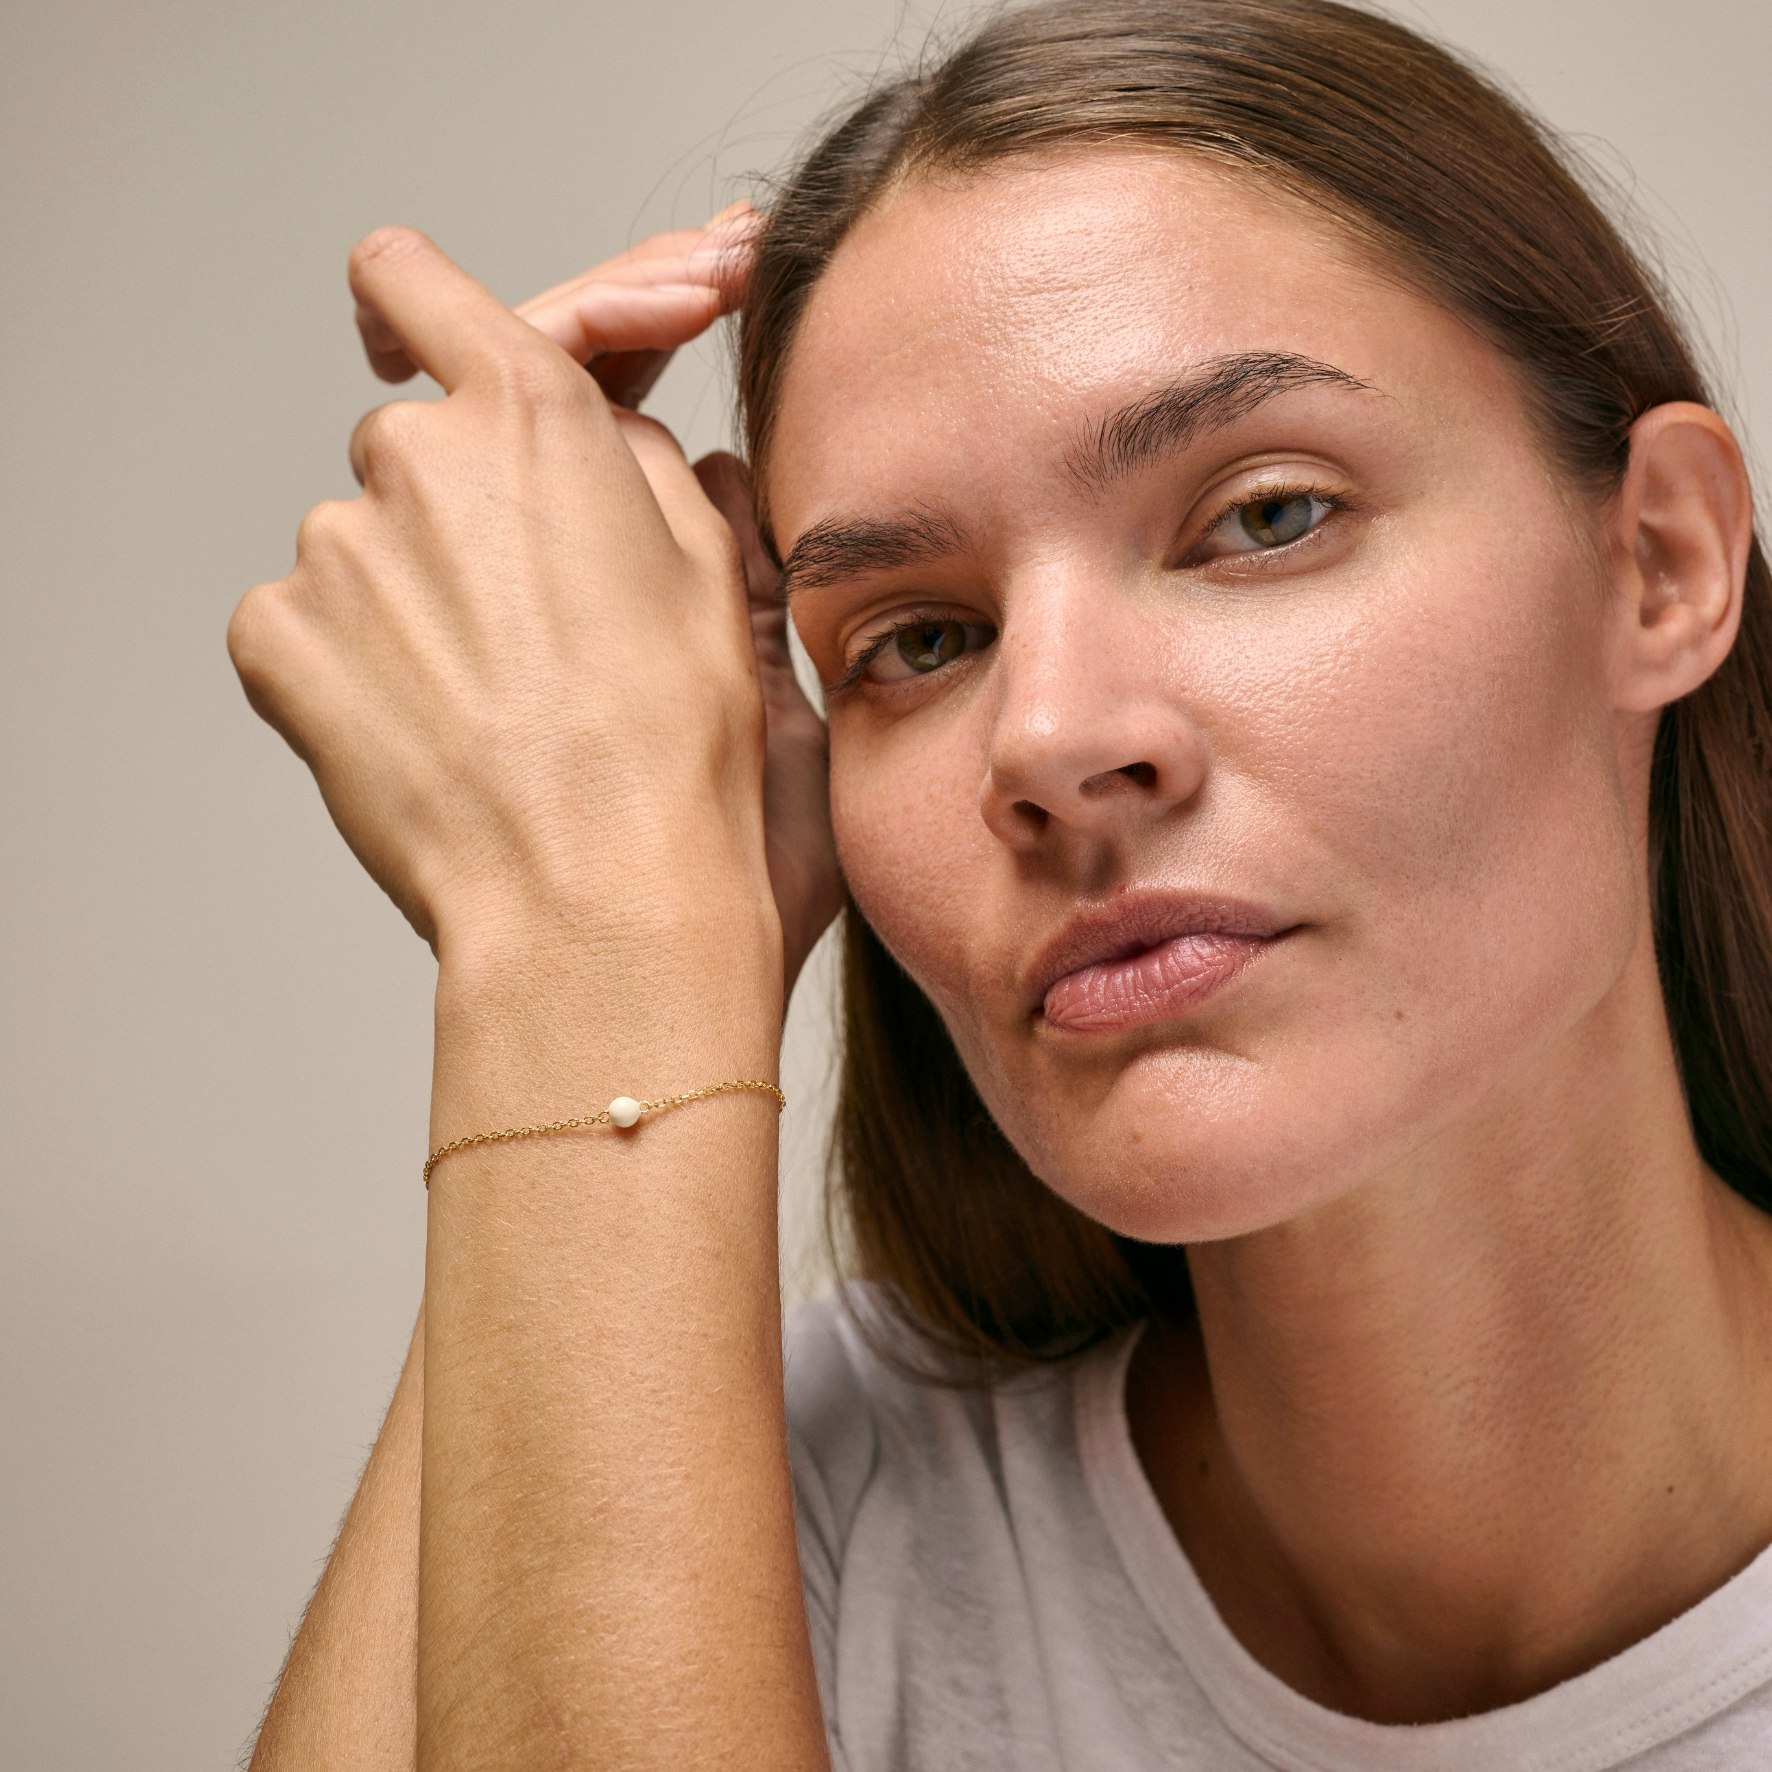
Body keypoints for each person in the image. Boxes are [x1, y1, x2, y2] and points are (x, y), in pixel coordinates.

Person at [230, 0, 1772, 1765]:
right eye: (921, 638)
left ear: (1659, 561)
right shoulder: (810, 1498)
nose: (1041, 738)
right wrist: (587, 895)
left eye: (1264, 516)